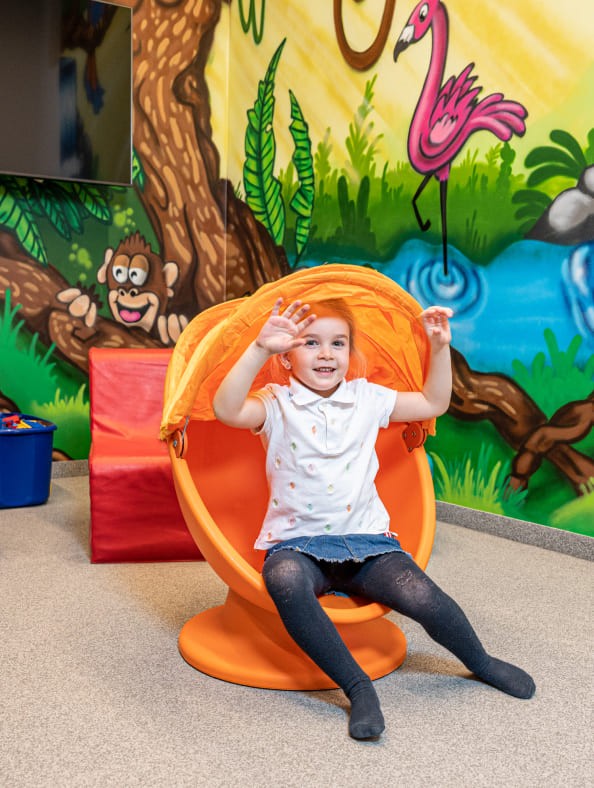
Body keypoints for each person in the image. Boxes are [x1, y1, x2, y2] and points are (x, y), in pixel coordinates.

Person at [212, 296, 535, 741]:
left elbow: (433, 402)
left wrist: (438, 347)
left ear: (349, 352)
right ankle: (358, 688)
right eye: (311, 342)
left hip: (366, 543)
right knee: (283, 579)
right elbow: (226, 409)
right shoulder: (275, 403)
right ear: (286, 356)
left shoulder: (367, 398)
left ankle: (480, 661)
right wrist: (259, 349)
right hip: (298, 544)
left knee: (421, 592)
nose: (326, 353)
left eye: (338, 343)